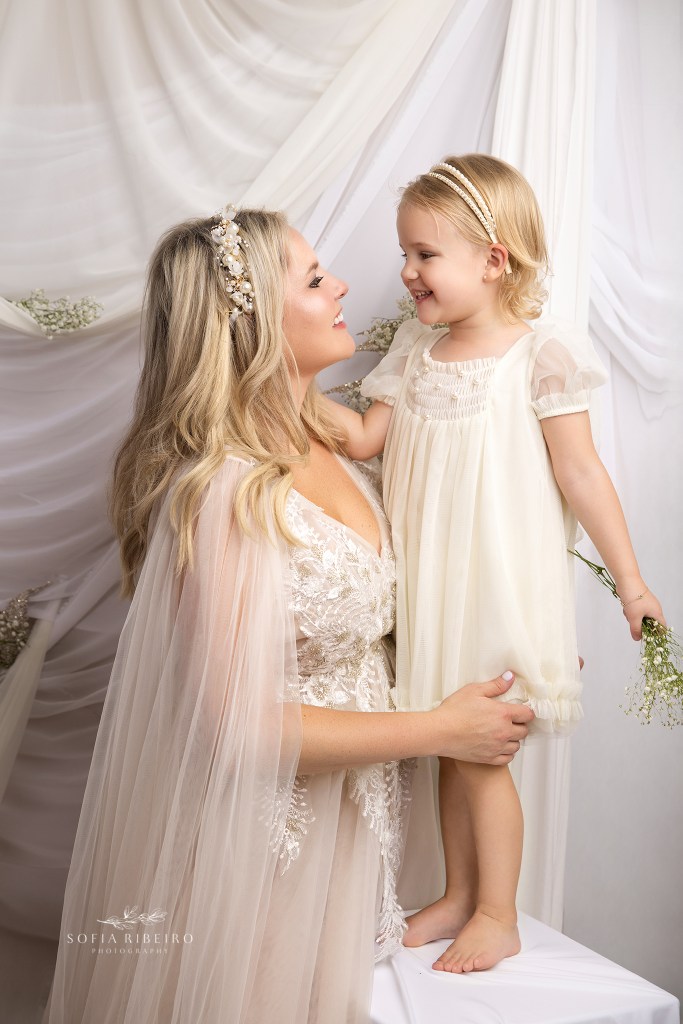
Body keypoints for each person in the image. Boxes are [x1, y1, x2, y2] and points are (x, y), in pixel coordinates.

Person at [42, 204, 533, 1024]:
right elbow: (237, 725)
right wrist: (441, 732)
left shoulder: (335, 443)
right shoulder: (225, 490)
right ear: (250, 322)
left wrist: (518, 641)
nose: (342, 285)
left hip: (352, 840)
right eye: (312, 279)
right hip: (258, 853)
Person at [322, 154, 666, 975]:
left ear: (494, 259)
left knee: (481, 757)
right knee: (450, 743)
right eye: (404, 254)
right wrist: (275, 392)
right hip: (434, 585)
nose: (405, 273)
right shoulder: (413, 346)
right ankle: (456, 893)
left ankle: (498, 913)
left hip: (497, 585)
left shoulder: (539, 353)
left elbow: (580, 473)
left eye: (423, 255)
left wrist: (632, 580)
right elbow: (366, 439)